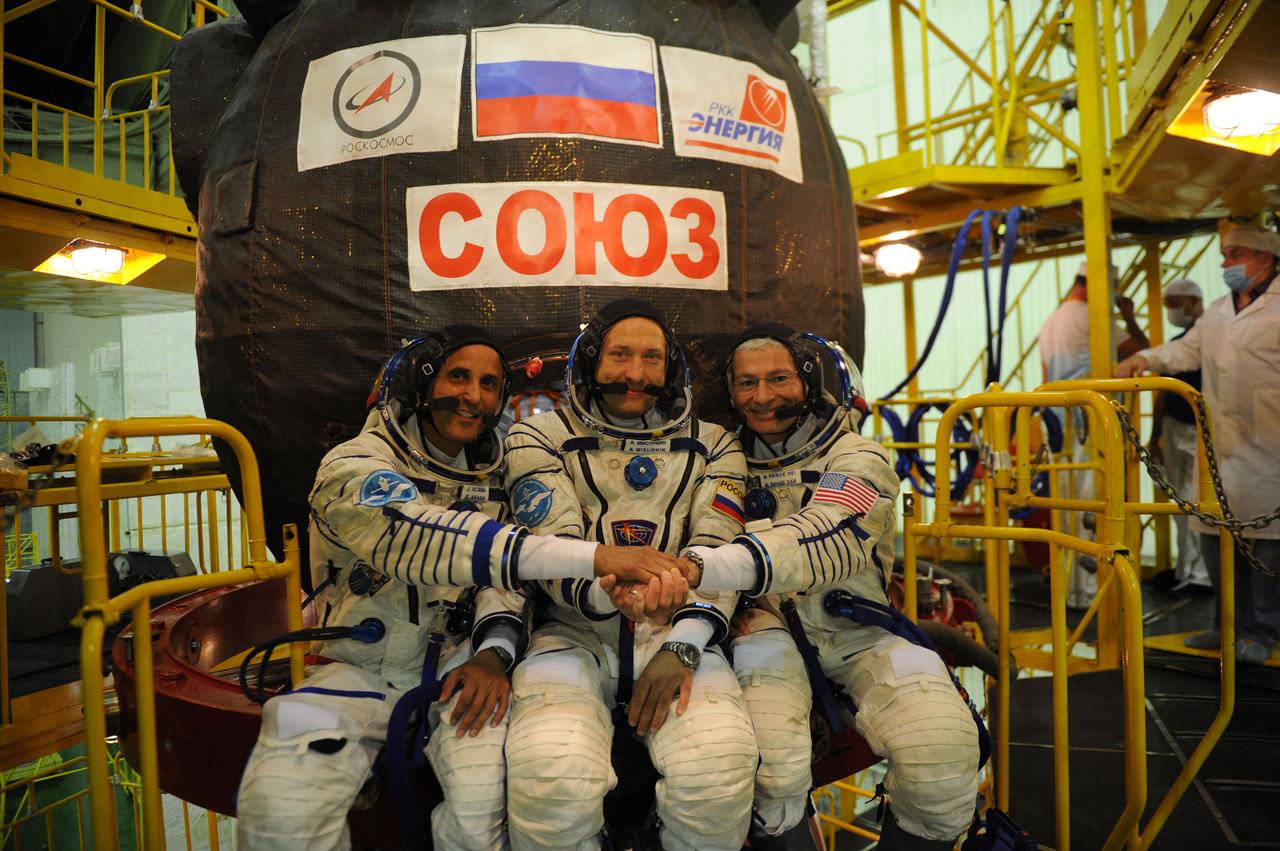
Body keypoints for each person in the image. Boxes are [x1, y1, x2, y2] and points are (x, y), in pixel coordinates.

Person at [236, 327, 683, 850]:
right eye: (459, 377)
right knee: (281, 804)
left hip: (461, 665)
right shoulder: (353, 465)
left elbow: (507, 582)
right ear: (417, 384)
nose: (475, 396)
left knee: (480, 806)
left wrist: (493, 654)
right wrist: (596, 556)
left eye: (490, 384)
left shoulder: (500, 475)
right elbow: (423, 539)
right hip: (357, 667)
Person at [686, 324, 981, 850]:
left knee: (943, 755)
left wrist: (729, 558)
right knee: (772, 768)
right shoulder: (722, 462)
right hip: (765, 632)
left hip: (861, 630)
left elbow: (832, 535)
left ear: (810, 382)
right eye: (747, 383)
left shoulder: (856, 456)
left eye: (778, 379)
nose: (762, 397)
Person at [501, 298, 758, 851]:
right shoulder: (536, 437)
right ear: (591, 361)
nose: (635, 375)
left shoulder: (715, 443)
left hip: (679, 627)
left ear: (672, 369)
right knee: (551, 781)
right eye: (619, 355)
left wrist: (685, 645)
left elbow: (719, 548)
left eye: (651, 358)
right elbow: (553, 544)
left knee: (719, 773)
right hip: (572, 631)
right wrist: (607, 594)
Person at [1117, 225, 1280, 665]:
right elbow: (1186, 352)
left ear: (1265, 259)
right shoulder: (1217, 312)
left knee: (1266, 546)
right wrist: (1146, 359)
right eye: (1225, 254)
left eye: (1236, 254)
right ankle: (1224, 625)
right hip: (1220, 449)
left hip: (1271, 447)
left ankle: (1262, 630)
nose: (1226, 263)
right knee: (1215, 537)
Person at [1038, 260, 1147, 608]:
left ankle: (1070, 591)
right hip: (1090, 427)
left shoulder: (1051, 321)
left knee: (1066, 509)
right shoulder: (1094, 318)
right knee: (1092, 508)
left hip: (1058, 426)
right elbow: (1142, 349)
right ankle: (1089, 594)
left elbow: (1044, 374)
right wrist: (1127, 315)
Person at [1147, 279, 1210, 594]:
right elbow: (1162, 393)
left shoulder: (1213, 340)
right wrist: (1154, 434)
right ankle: (1185, 569)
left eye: (1174, 304)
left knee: (1202, 502)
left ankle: (1201, 576)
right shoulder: (1175, 346)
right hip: (1174, 426)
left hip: (1203, 429)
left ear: (1193, 301)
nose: (1171, 311)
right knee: (1179, 502)